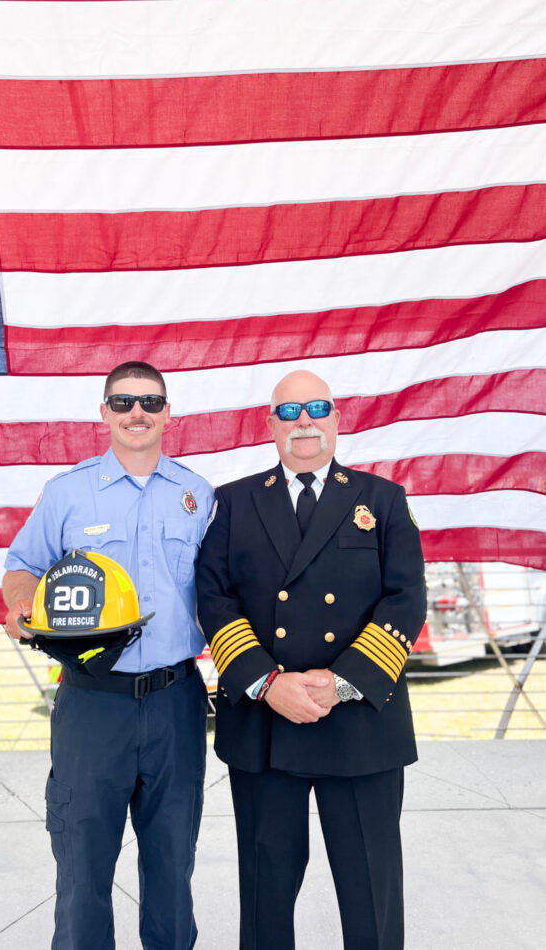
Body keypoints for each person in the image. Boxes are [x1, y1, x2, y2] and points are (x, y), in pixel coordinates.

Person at [196, 369, 427, 950]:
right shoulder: (232, 503)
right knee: (264, 894)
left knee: (371, 890)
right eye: (290, 411)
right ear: (270, 424)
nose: (305, 421)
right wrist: (266, 682)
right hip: (265, 722)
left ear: (337, 418)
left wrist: (343, 680)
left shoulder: (382, 499)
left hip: (358, 722)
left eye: (317, 408)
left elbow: (407, 597)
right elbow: (213, 599)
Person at [3, 361, 213, 950]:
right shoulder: (67, 493)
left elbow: (222, 588)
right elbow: (22, 565)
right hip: (92, 704)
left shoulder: (199, 496)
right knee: (83, 866)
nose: (136, 413)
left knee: (172, 866)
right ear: (104, 414)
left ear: (168, 412)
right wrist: (21, 604)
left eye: (149, 401)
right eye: (122, 403)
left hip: (176, 701)